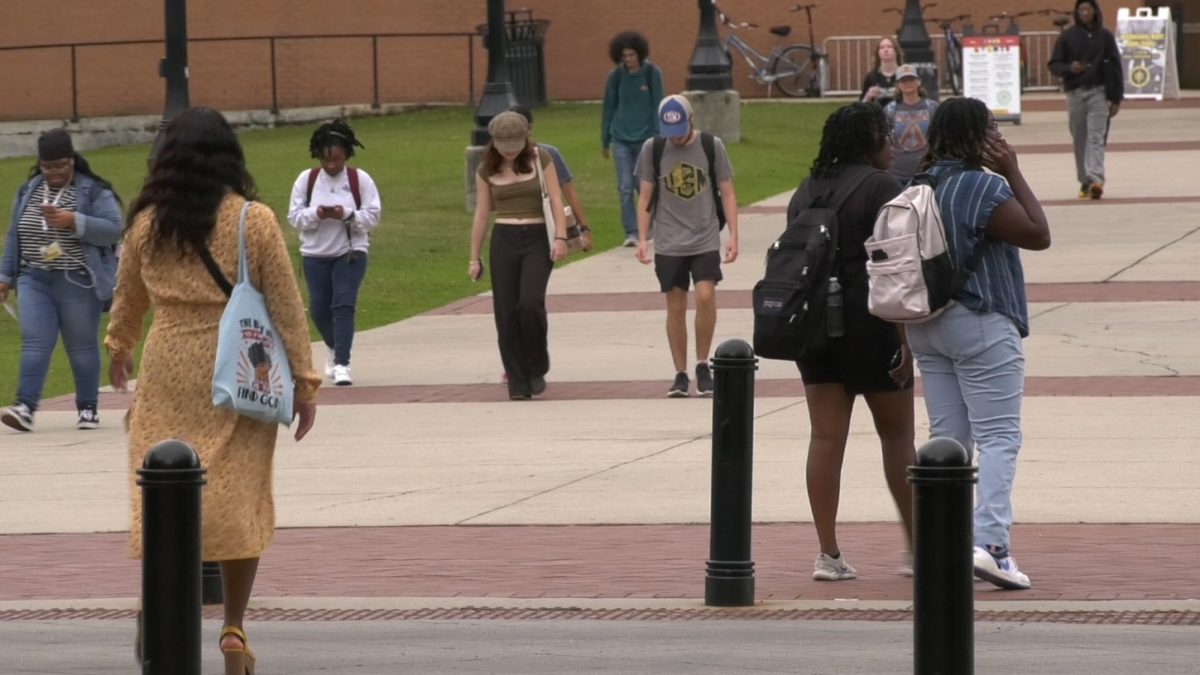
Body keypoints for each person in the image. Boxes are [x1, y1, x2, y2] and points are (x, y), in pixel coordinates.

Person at [105, 107, 320, 674]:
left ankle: (157, 607)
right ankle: (233, 628)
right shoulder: (253, 220)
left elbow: (127, 297)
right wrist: (304, 380)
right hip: (239, 365)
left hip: (168, 362)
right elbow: (285, 305)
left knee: (162, 490)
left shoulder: (147, 222)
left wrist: (119, 346)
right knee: (238, 494)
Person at [905, 97, 1051, 590]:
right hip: (980, 319)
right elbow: (1037, 233)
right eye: (992, 131)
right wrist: (1013, 171)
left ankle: (944, 543)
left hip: (923, 324)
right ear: (979, 137)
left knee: (948, 441)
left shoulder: (917, 186)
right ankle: (991, 546)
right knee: (999, 437)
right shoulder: (983, 186)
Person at [787, 103, 914, 581]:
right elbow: (896, 267)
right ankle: (916, 547)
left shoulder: (805, 190)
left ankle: (828, 553)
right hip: (872, 324)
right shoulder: (884, 187)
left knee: (824, 438)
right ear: (868, 141)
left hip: (813, 328)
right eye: (885, 135)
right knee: (898, 437)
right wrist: (906, 338)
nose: (892, 145)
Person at [0, 129, 123, 432]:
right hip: (34, 279)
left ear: (72, 161)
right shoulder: (29, 190)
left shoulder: (93, 191)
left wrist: (75, 222)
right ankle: (25, 407)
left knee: (81, 348)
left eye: (61, 166)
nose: (54, 173)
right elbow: (15, 236)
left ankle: (88, 408)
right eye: (48, 167)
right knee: (35, 343)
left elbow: (113, 228)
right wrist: (5, 278)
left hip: (77, 280)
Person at [635, 94, 738, 398]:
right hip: (668, 239)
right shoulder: (653, 149)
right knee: (675, 303)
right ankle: (680, 373)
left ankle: (702, 364)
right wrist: (643, 239)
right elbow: (644, 199)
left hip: (704, 234)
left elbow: (728, 192)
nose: (676, 137)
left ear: (691, 119)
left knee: (705, 295)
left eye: (680, 129)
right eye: (671, 131)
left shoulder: (711, 146)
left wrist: (733, 235)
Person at [469, 111, 569, 400]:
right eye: (504, 146)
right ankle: (518, 380)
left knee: (530, 303)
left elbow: (556, 199)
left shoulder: (542, 159)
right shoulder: (486, 170)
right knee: (506, 312)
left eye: (515, 144)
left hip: (537, 239)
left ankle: (537, 362)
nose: (510, 152)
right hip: (505, 240)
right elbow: (482, 215)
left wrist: (561, 238)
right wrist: (474, 258)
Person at [286, 119, 382, 386]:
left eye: (337, 160)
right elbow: (294, 218)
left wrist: (347, 214)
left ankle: (342, 363)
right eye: (326, 160)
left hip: (350, 252)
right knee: (318, 309)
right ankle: (332, 345)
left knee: (343, 304)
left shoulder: (359, 180)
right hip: (315, 254)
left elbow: (373, 218)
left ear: (347, 155)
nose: (331, 165)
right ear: (318, 156)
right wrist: (316, 214)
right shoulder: (306, 181)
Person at [1048, 0, 1123, 199]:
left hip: (1099, 91)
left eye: (1088, 9)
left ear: (1095, 11)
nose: (1085, 12)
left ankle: (1096, 179)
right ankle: (1085, 180)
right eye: (1081, 9)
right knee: (1079, 137)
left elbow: (1116, 67)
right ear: (1077, 12)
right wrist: (1069, 68)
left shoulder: (1105, 37)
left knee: (1097, 136)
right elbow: (1054, 64)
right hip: (1075, 93)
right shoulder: (1067, 37)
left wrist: (1116, 98)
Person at [601, 30, 665, 247]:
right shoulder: (616, 76)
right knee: (625, 187)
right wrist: (604, 139)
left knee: (644, 186)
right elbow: (609, 107)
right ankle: (631, 232)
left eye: (631, 55)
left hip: (646, 139)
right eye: (624, 56)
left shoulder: (652, 73)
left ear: (639, 54)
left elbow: (658, 105)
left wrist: (659, 136)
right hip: (620, 138)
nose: (627, 59)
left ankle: (651, 227)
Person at [512, 106, 592, 253]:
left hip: (543, 229)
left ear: (529, 128)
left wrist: (584, 229)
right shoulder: (500, 159)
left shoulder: (548, 154)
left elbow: (569, 193)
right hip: (512, 231)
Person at [884, 63, 939, 185]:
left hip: (926, 173)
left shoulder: (932, 107)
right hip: (896, 175)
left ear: (918, 82)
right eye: (903, 80)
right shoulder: (890, 110)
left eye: (911, 79)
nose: (907, 83)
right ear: (898, 85)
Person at [860, 37, 904, 109]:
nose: (886, 50)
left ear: (896, 51)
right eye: (882, 47)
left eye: (889, 47)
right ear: (878, 53)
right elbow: (860, 106)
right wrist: (868, 96)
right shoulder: (871, 77)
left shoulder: (904, 75)